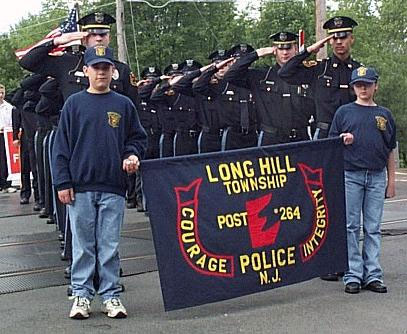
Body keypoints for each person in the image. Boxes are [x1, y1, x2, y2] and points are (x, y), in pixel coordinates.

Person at [52, 46, 147, 319]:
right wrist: (62, 182)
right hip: (79, 187)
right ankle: (81, 295)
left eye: (106, 68)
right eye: (96, 67)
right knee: (82, 246)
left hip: (113, 187)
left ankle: (111, 296)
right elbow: (61, 147)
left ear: (112, 71)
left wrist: (131, 154)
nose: (101, 72)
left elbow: (137, 138)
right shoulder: (74, 104)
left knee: (109, 245)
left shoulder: (123, 104)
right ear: (86, 71)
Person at [329, 66, 396, 294]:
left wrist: (391, 181)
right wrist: (341, 139)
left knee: (373, 227)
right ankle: (353, 274)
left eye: (367, 84)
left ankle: (373, 274)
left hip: (377, 176)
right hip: (351, 175)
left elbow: (390, 149)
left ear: (375, 85)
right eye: (359, 85)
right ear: (353, 88)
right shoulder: (344, 113)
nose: (363, 88)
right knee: (350, 226)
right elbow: (331, 146)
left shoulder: (384, 115)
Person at [224, 33, 315, 145]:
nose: (285, 53)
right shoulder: (261, 76)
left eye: (289, 48)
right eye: (280, 48)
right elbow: (231, 75)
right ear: (274, 50)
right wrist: (257, 54)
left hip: (300, 139)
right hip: (271, 140)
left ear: (296, 49)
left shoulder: (307, 74)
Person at [278, 16, 360, 140]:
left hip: (353, 131)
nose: (338, 42)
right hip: (325, 133)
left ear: (352, 39)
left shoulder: (358, 70)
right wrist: (309, 51)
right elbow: (284, 73)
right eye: (334, 37)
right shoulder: (319, 69)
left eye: (343, 37)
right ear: (329, 41)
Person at [0, 84, 17, 193]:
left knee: (5, 159)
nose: (1, 95)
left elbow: (11, 122)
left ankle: (6, 183)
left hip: (5, 135)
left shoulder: (9, 107)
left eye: (2, 93)